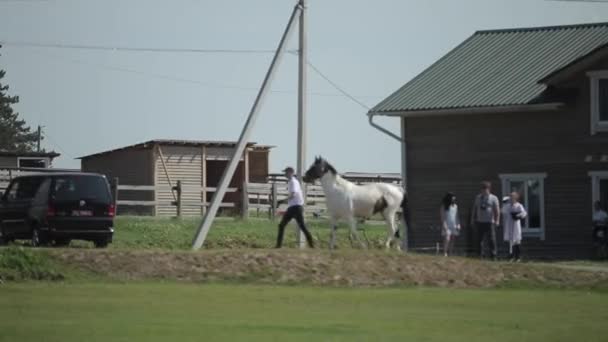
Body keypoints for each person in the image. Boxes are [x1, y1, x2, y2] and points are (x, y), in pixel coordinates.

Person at [275, 167, 314, 248]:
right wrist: (283, 202)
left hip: (296, 207)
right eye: (285, 172)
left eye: (286, 172)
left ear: (291, 172)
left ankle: (312, 244)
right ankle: (278, 246)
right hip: (293, 207)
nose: (285, 174)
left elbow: (293, 195)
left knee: (301, 226)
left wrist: (282, 201)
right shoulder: (291, 182)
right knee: (283, 225)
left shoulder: (293, 182)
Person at [471, 181, 500, 260]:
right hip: (480, 221)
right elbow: (475, 209)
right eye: (482, 189)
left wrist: (497, 220)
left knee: (491, 239)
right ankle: (480, 255)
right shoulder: (478, 197)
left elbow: (497, 210)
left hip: (490, 222)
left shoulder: (494, 198)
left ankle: (493, 255)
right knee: (479, 240)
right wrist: (473, 219)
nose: (483, 191)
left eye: (485, 189)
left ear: (489, 189)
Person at [502, 192, 527, 262]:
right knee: (510, 241)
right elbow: (503, 211)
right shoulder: (508, 206)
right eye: (510, 197)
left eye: (512, 197)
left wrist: (517, 215)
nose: (511, 199)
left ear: (516, 198)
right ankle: (511, 256)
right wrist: (504, 202)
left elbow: (524, 213)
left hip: (516, 225)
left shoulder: (519, 205)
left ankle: (518, 257)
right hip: (509, 225)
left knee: (517, 241)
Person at [440, 192, 460, 257]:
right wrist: (444, 225)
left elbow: (457, 216)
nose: (454, 199)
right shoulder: (443, 206)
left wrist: (458, 224)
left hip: (454, 225)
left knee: (452, 239)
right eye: (452, 197)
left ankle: (450, 252)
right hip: (446, 225)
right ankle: (445, 252)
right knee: (447, 238)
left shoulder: (455, 206)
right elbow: (442, 217)